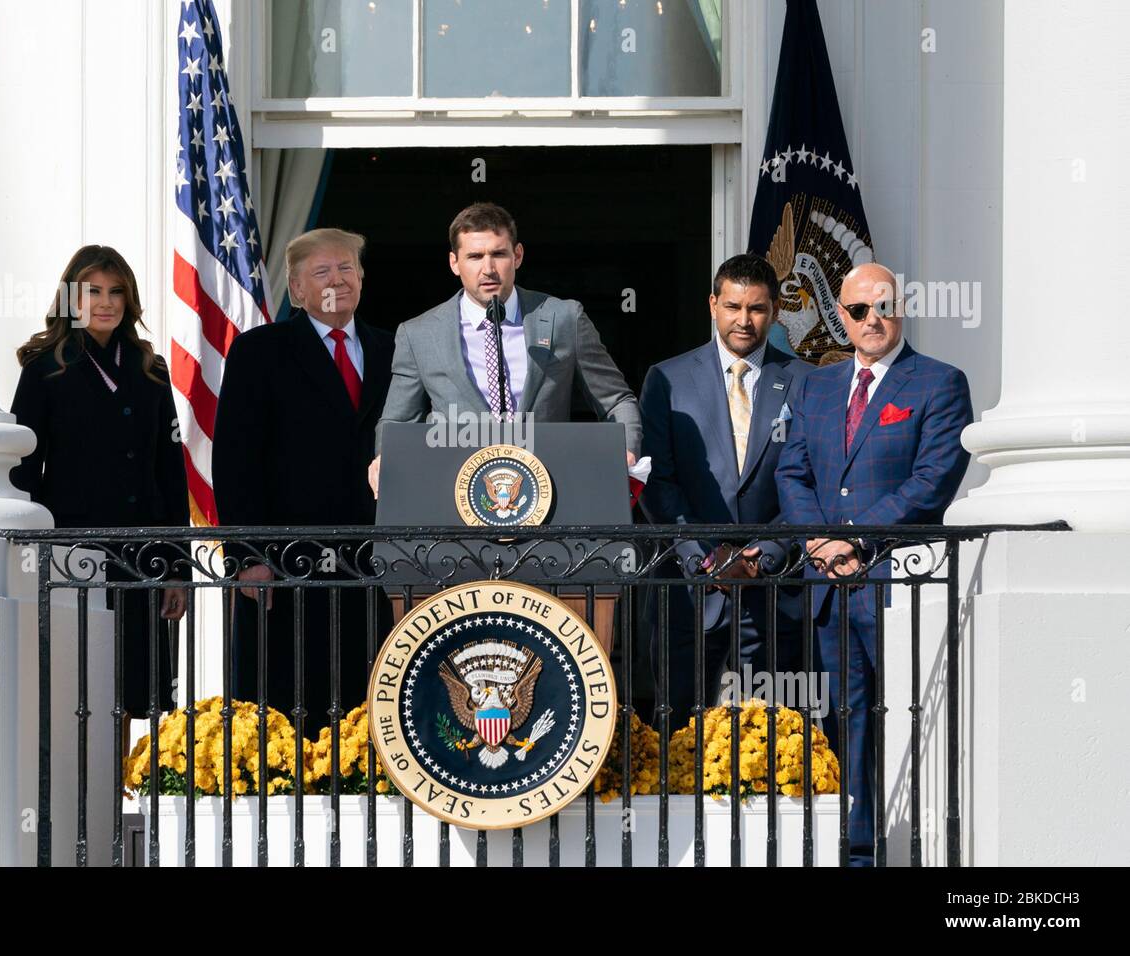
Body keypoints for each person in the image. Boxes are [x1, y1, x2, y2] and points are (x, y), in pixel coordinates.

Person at [775, 262, 973, 865]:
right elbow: (793, 471)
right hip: (829, 584)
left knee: (910, 710)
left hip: (896, 580)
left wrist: (854, 538)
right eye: (859, 310)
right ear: (841, 315)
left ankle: (920, 843)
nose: (872, 320)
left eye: (883, 307)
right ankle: (856, 845)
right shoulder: (816, 385)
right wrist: (817, 541)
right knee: (847, 714)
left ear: (902, 307)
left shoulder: (938, 382)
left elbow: (933, 479)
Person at [213, 228, 393, 737]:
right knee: (284, 711)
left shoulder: (392, 350)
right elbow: (235, 459)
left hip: (370, 564)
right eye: (322, 271)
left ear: (361, 278)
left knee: (369, 708)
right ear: (296, 289)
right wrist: (246, 556)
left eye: (346, 269)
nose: (337, 279)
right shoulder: (259, 352)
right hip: (285, 565)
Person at [10, 244, 189, 720]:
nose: (106, 302)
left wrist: (177, 567)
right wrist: (27, 554)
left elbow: (170, 469)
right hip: (74, 550)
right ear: (72, 297)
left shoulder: (150, 368)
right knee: (77, 689)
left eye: (116, 292)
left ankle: (125, 794)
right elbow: (25, 469)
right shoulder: (43, 367)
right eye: (92, 291)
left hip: (143, 550)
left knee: (137, 690)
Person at [640, 253, 812, 724]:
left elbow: (806, 480)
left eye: (756, 308)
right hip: (689, 585)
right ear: (712, 303)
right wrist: (703, 556)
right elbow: (658, 480)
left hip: (775, 586)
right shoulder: (667, 378)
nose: (744, 320)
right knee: (674, 725)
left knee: (775, 732)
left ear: (774, 310)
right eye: (733, 306)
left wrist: (768, 552)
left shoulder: (807, 382)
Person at [369, 202, 641, 494]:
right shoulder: (419, 334)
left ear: (517, 256)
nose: (488, 269)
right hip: (454, 497)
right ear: (454, 262)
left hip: (552, 491)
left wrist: (625, 449)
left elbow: (616, 400)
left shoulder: (564, 318)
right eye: (474, 256)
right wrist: (385, 458)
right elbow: (397, 421)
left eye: (498, 254)